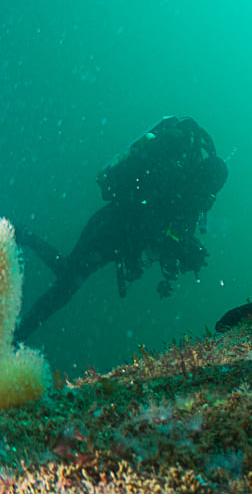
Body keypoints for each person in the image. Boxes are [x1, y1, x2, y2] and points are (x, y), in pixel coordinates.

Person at [14, 116, 228, 341]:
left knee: (67, 281)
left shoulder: (192, 198)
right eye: (205, 186)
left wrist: (185, 253)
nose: (205, 195)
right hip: (109, 226)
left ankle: (17, 336)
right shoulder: (171, 174)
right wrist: (175, 248)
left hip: (121, 242)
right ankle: (25, 240)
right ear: (201, 174)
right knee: (67, 278)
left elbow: (169, 235)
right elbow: (142, 216)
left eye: (210, 192)